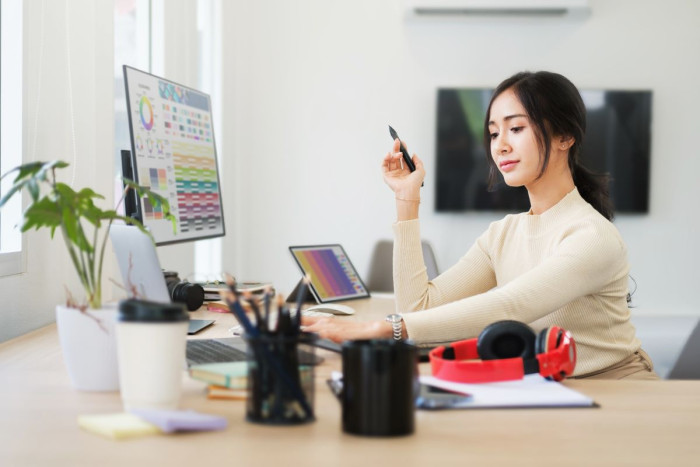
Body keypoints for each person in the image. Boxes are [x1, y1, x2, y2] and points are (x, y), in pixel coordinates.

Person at [303, 71, 658, 380]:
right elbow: (418, 309)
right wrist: (406, 198)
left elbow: (512, 306)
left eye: (516, 128)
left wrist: (378, 328)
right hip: (551, 388)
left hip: (615, 387)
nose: (500, 146)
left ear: (565, 137)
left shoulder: (592, 236)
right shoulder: (502, 234)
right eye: (492, 133)